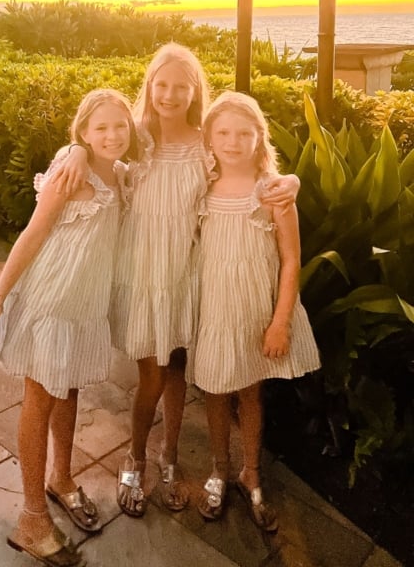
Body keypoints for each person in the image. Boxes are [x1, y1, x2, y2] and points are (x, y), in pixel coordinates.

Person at [54, 44, 300, 519]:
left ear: (194, 92)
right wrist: (74, 152)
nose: (168, 94)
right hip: (142, 273)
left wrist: (292, 184)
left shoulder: (204, 143)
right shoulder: (135, 136)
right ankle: (136, 457)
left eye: (180, 86)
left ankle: (169, 459)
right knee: (149, 375)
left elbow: (253, 165)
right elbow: (93, 142)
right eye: (160, 84)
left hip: (187, 275)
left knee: (176, 370)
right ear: (149, 86)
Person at [0, 89, 137, 567]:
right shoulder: (70, 170)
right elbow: (33, 233)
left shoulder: (119, 174)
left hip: (84, 304)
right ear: (82, 133)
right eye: (100, 129)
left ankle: (61, 477)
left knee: (68, 388)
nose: (112, 135)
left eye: (120, 126)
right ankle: (32, 519)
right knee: (41, 399)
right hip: (52, 300)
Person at [192, 91, 320, 532]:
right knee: (212, 389)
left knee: (250, 393)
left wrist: (279, 321)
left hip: (253, 313)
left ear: (258, 137)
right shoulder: (202, 187)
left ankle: (251, 472)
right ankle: (219, 468)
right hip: (213, 311)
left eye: (243, 133)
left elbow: (290, 259)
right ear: (208, 137)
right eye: (223, 132)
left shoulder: (274, 193)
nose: (232, 141)